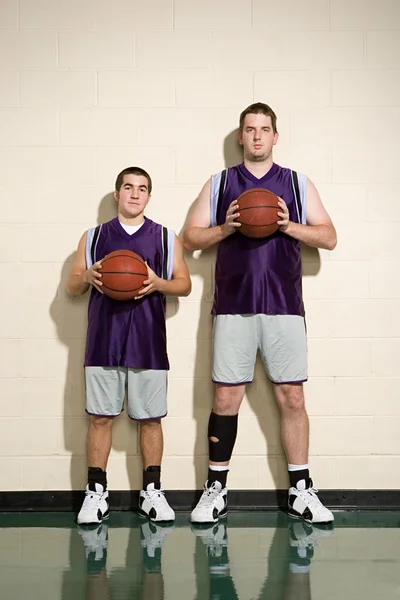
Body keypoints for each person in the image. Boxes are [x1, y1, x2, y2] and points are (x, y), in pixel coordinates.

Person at [183, 103, 337, 525]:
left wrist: (288, 225)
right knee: (225, 397)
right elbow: (190, 238)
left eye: (264, 130)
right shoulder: (220, 184)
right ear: (240, 136)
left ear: (275, 136)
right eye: (249, 130)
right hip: (233, 306)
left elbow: (329, 236)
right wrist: (227, 228)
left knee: (292, 396)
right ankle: (216, 490)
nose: (256, 137)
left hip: (285, 307)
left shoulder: (296, 184)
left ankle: (301, 490)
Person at [67, 166, 191, 525]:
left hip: (148, 341)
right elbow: (72, 286)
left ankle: (151, 492)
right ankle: (96, 493)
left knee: (150, 420)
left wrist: (157, 283)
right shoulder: (93, 237)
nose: (135, 194)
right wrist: (87, 276)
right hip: (103, 341)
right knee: (100, 418)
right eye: (128, 187)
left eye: (142, 189)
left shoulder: (166, 238)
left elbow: (184, 285)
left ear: (149, 196)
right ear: (117, 193)